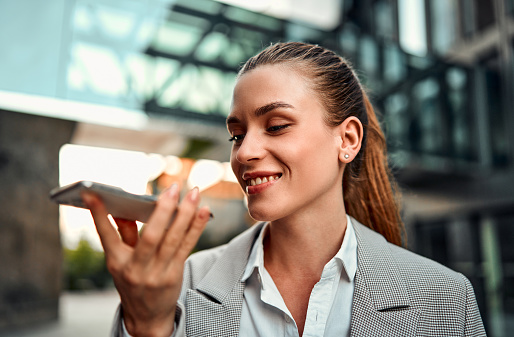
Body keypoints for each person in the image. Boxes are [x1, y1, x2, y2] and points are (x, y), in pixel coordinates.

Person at [83, 42, 486, 337]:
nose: (245, 153)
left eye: (276, 125)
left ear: (346, 140)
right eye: (236, 135)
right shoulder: (182, 286)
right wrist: (149, 326)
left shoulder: (445, 298)